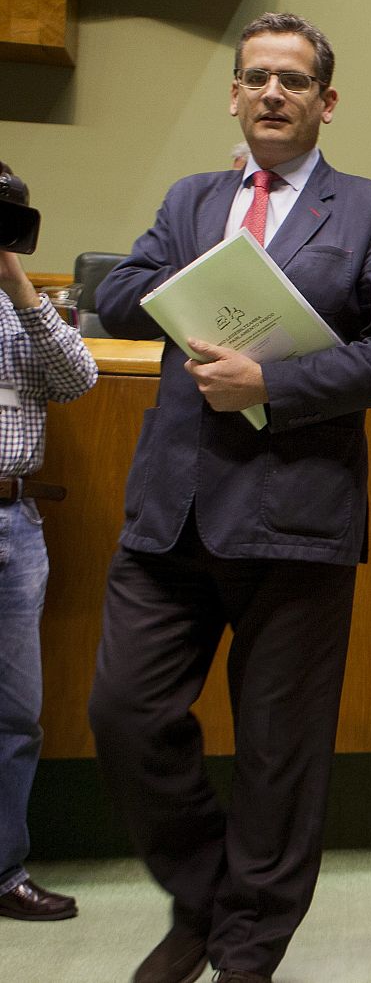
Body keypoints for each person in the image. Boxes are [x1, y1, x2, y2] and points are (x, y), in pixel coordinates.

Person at [88, 13, 371, 983]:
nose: (272, 94)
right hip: (171, 513)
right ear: (234, 96)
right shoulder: (193, 198)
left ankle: (243, 954)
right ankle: (202, 898)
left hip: (295, 519)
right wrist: (186, 280)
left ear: (325, 102)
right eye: (256, 79)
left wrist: (271, 383)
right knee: (123, 711)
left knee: (280, 760)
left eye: (292, 81)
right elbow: (117, 298)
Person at [0, 162, 97, 924]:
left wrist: (18, 283)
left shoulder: (21, 307)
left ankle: (3, 872)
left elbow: (78, 378)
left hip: (15, 525)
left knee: (15, 713)